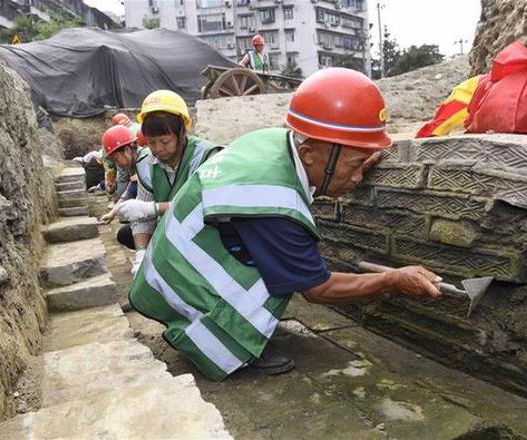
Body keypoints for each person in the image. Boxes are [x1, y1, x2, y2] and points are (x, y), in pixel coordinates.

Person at [127, 68, 443, 382]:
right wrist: (391, 280)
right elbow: (318, 288)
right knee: (283, 277)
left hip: (166, 267)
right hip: (176, 286)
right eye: (355, 166)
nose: (358, 177)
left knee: (279, 263)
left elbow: (306, 177)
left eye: (362, 164)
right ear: (308, 153)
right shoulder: (273, 205)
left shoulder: (273, 142)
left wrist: (353, 160)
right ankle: (220, 343)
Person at [110, 90, 221, 275]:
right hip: (171, 231)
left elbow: (207, 206)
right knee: (127, 234)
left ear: (181, 133)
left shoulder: (206, 156)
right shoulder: (146, 164)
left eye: (165, 141)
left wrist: (153, 208)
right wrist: (141, 254)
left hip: (204, 234)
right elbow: (143, 218)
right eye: (152, 142)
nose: (158, 149)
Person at [98, 125, 141, 250]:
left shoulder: (145, 163)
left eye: (116, 159)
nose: (117, 165)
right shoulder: (134, 166)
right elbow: (131, 189)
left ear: (127, 150)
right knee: (124, 234)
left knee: (127, 234)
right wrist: (112, 213)